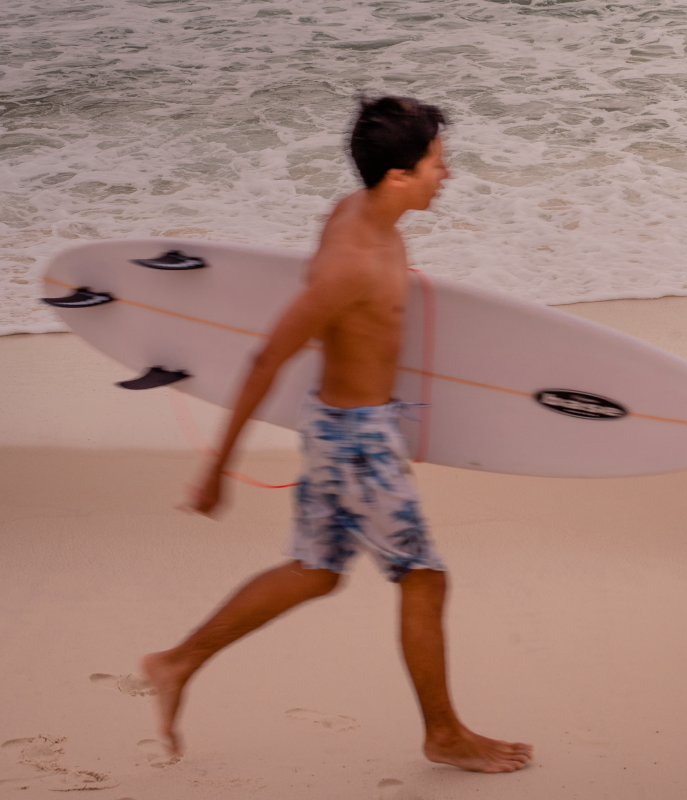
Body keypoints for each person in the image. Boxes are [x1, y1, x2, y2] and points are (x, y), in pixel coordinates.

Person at [140, 96, 533, 773]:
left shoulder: (362, 214)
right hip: (355, 439)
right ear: (398, 178)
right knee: (423, 579)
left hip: (344, 425)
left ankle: (177, 661)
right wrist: (216, 469)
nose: (450, 173)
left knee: (316, 573)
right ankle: (442, 733)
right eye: (439, 163)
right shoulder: (351, 261)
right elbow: (269, 356)